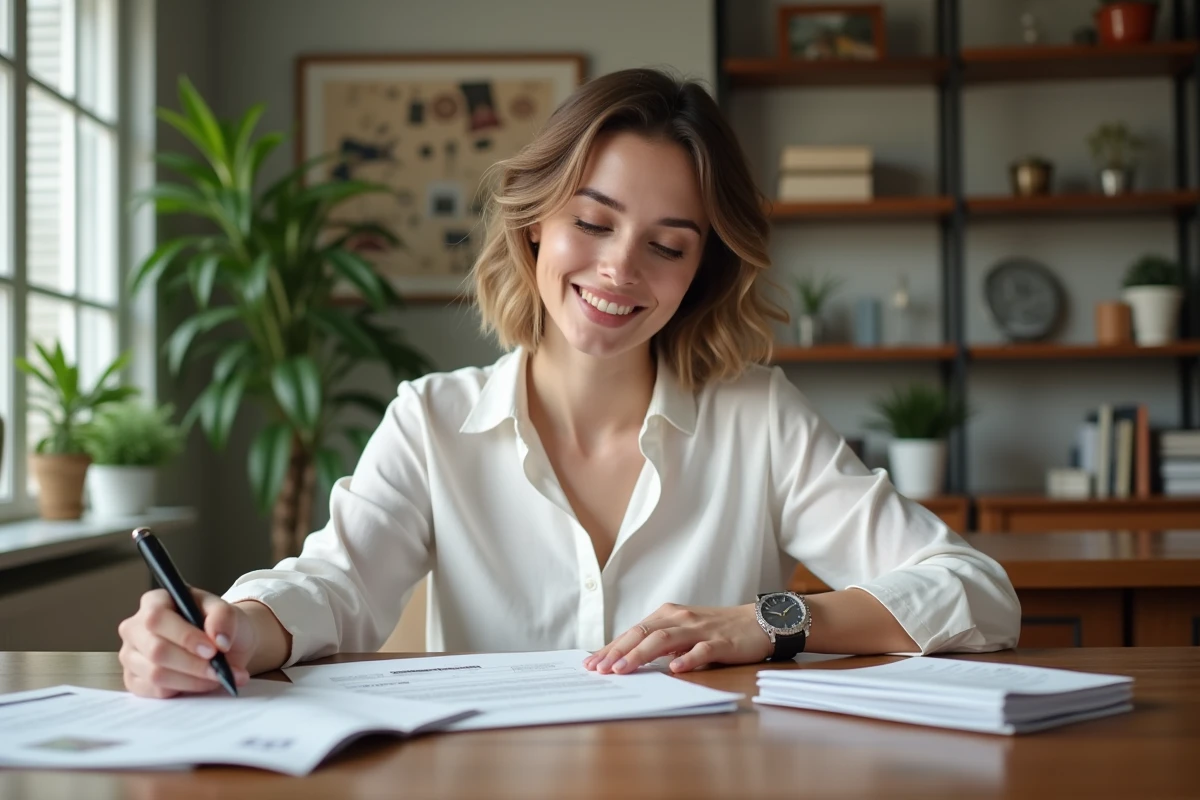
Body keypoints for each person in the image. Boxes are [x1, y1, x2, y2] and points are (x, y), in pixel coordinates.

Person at [118, 67, 1020, 699]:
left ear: (699, 272)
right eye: (593, 222)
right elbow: (335, 588)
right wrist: (233, 626)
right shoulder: (432, 421)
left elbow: (974, 590)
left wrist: (775, 621)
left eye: (668, 245)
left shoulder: (758, 419)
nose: (621, 270)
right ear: (536, 227)